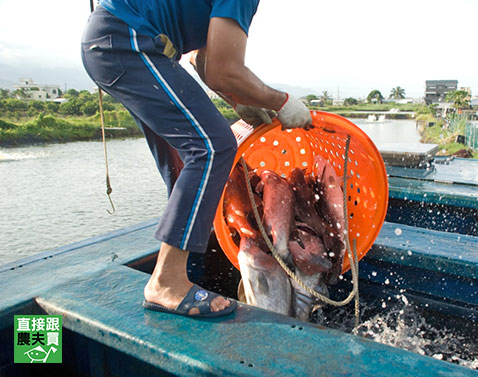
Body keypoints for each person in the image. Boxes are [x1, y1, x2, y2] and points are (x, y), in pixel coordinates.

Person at [81, 0, 312, 318]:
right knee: (214, 147)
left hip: (120, 41)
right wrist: (281, 101)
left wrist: (238, 99)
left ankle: (187, 266)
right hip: (126, 39)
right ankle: (166, 281)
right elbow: (223, 70)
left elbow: (201, 56)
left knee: (182, 162)